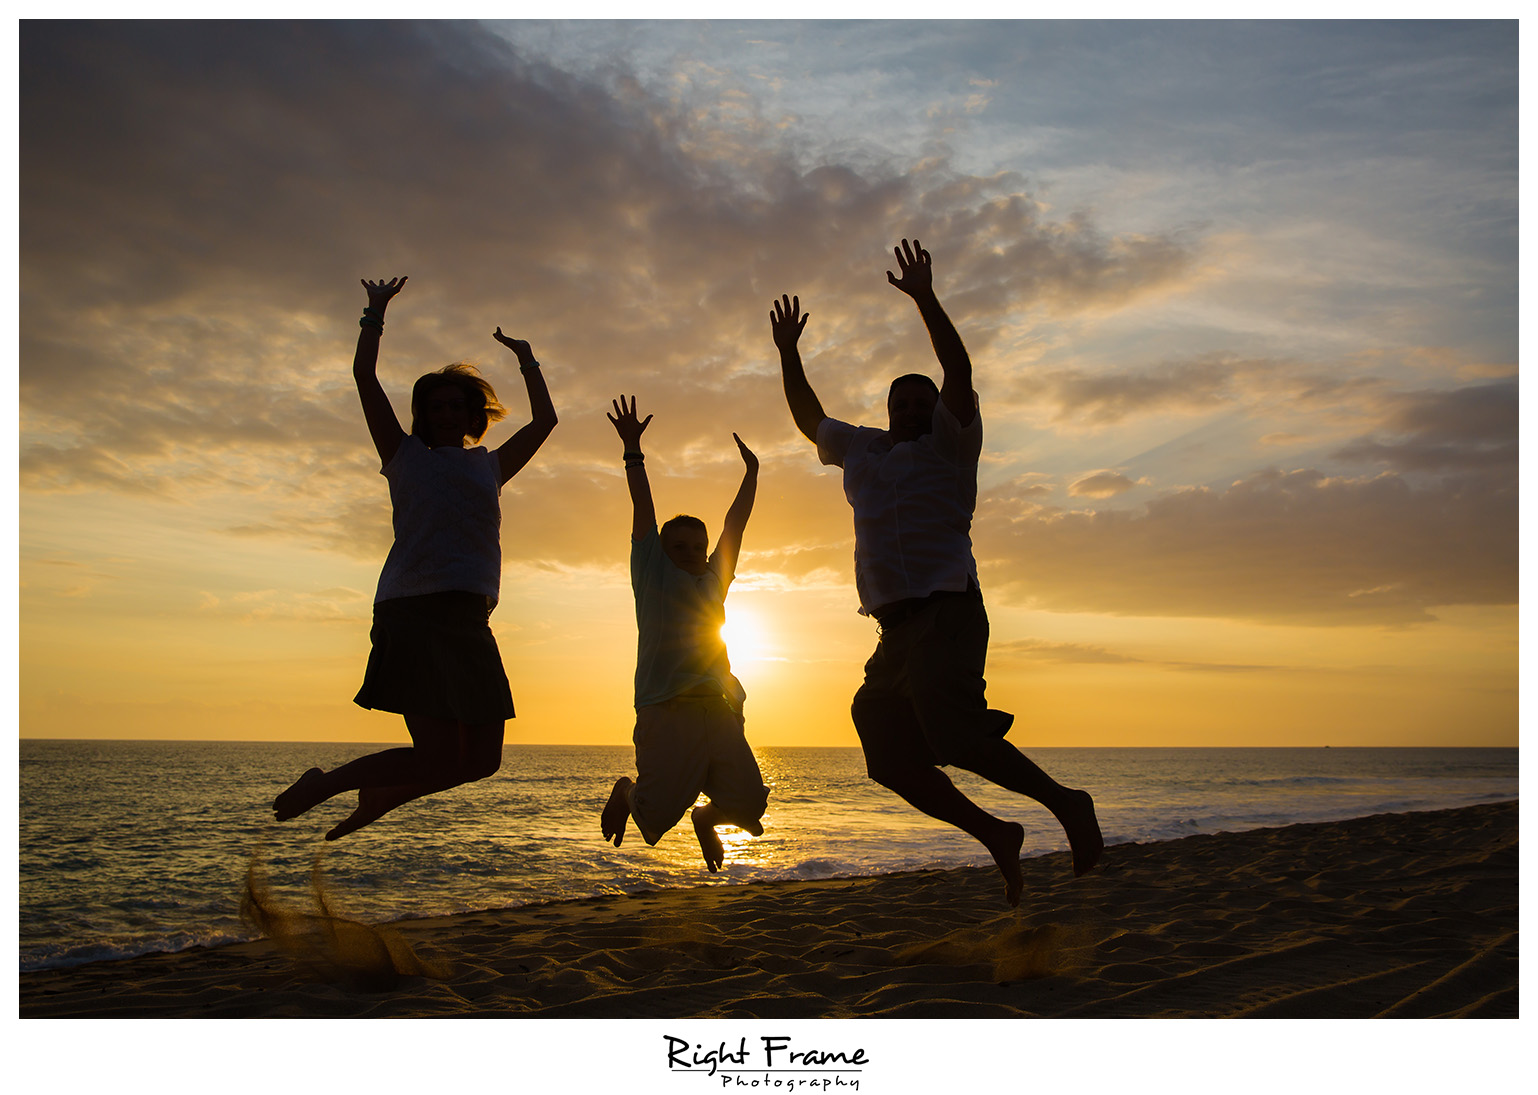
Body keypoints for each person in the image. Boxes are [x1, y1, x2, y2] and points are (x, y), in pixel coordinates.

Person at [770, 239, 1102, 906]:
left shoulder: (951, 447)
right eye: (907, 402)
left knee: (951, 735)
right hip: (893, 629)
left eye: (927, 403)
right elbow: (809, 417)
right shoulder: (861, 448)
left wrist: (925, 298)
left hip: (946, 606)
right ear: (889, 408)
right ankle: (997, 833)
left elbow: (957, 368)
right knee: (887, 750)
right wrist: (788, 353)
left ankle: (1068, 805)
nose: (917, 410)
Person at [274, 275, 558, 840]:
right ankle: (326, 784)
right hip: (414, 610)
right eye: (436, 407)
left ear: (474, 413)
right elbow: (363, 377)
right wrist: (374, 312)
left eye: (458, 406)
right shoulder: (404, 456)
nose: (448, 414)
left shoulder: (490, 467)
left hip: (470, 617)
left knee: (480, 761)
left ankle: (382, 795)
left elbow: (546, 421)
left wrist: (528, 360)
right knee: (435, 754)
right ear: (421, 416)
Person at [599, 395, 769, 872]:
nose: (692, 551)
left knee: (749, 804)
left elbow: (735, 526)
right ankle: (624, 789)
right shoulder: (652, 572)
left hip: (717, 708)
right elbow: (642, 505)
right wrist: (633, 449)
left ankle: (706, 820)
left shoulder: (714, 579)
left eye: (698, 545)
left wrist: (751, 476)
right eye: (681, 545)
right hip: (665, 709)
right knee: (652, 817)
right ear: (662, 549)